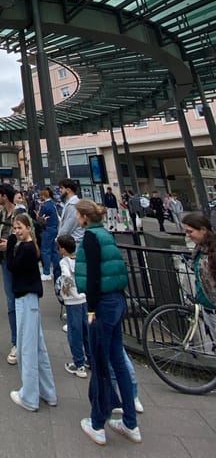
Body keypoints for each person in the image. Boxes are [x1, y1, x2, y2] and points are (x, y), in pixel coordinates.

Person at [74, 200, 141, 446]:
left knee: (100, 364)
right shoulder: (105, 233)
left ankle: (97, 424)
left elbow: (92, 277)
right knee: (117, 363)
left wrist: (90, 309)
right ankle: (131, 423)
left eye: (77, 216)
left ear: (83, 217)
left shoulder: (91, 238)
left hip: (101, 305)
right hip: (116, 302)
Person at [0, 212, 57, 412]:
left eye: (19, 228)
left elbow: (13, 267)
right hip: (30, 298)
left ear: (28, 228)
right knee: (38, 347)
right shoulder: (30, 247)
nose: (16, 231)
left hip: (25, 299)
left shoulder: (25, 248)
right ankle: (48, 392)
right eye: (14, 228)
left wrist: (8, 248)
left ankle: (30, 397)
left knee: (27, 348)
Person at [56, 234, 90, 378]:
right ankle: (90, 359)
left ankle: (79, 364)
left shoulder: (64, 262)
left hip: (72, 301)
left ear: (63, 249)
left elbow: (66, 277)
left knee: (74, 333)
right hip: (84, 299)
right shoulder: (80, 260)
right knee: (86, 331)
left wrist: (65, 291)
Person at [0, 184, 18, 364]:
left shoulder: (20, 215)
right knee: (10, 302)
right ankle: (15, 341)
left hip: (18, 262)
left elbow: (27, 239)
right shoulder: (1, 213)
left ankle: (19, 342)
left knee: (18, 302)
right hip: (5, 261)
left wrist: (8, 245)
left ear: (5, 196)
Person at [182, 212, 216, 311]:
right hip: (206, 307)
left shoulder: (210, 251)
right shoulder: (199, 250)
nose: (187, 235)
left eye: (190, 231)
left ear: (203, 230)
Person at [38, 187, 61, 281]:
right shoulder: (52, 204)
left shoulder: (45, 206)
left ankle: (46, 272)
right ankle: (57, 270)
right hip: (54, 228)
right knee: (54, 250)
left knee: (45, 250)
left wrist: (39, 209)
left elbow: (39, 217)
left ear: (43, 196)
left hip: (47, 229)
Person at [57, 178, 85, 244]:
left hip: (74, 243)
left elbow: (68, 226)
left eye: (62, 188)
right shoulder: (69, 203)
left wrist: (58, 239)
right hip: (71, 242)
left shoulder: (73, 205)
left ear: (68, 190)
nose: (60, 190)